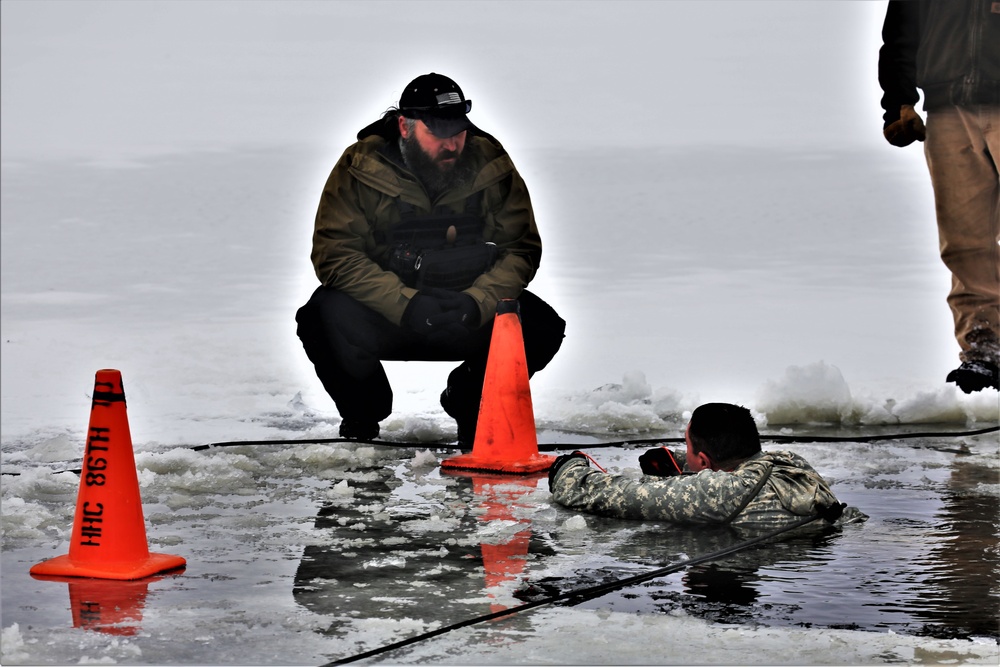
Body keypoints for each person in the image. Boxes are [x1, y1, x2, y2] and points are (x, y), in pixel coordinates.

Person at [296, 72, 565, 442]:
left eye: (458, 131)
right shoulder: (358, 166)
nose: (452, 144)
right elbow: (335, 256)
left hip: (463, 312)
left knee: (541, 325)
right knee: (321, 316)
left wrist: (477, 302)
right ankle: (363, 415)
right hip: (388, 314)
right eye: (438, 133)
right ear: (405, 126)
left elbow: (520, 249)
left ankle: (470, 399)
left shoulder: (492, 163)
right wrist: (407, 304)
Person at [878, 0, 1000, 393]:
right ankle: (985, 351)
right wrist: (899, 103)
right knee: (965, 242)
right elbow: (901, 32)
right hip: (947, 110)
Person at [548, 403, 846, 528]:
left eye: (687, 446)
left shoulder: (718, 492)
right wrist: (679, 461)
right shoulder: (792, 465)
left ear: (704, 462)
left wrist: (568, 469)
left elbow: (612, 495)